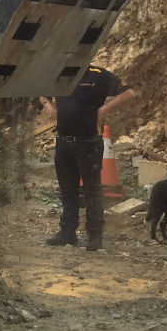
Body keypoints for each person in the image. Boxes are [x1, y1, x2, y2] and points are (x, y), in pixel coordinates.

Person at [41, 65, 136, 251]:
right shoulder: (60, 71)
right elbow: (42, 93)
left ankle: (94, 235)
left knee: (92, 190)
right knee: (68, 189)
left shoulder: (98, 75)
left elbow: (130, 93)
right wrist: (49, 108)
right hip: (63, 141)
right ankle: (67, 232)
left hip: (89, 142)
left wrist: (105, 109)